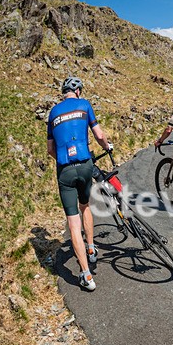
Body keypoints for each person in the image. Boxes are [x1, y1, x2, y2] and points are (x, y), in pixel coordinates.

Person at [47, 76, 112, 291]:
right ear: (78, 91)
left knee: (72, 222)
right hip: (85, 165)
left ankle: (86, 276)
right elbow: (99, 135)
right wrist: (107, 147)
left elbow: (50, 149)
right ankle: (91, 249)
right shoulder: (84, 105)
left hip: (65, 169)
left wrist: (65, 164)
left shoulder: (53, 112)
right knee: (86, 206)